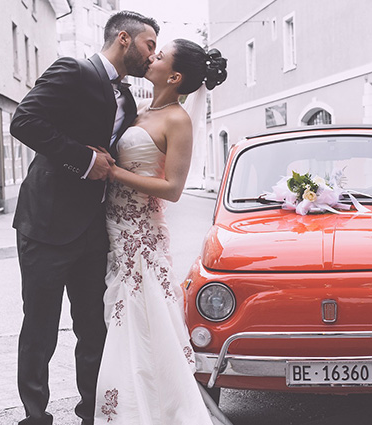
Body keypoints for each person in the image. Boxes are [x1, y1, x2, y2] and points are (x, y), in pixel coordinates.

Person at [9, 11, 159, 425]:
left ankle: (92, 413)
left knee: (94, 328)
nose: (153, 55)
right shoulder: (72, 69)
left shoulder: (128, 98)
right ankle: (35, 416)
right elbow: (23, 122)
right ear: (124, 39)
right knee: (39, 328)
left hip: (95, 230)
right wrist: (83, 158)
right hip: (46, 224)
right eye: (149, 45)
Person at [91, 39, 230, 424]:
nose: (150, 57)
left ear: (175, 76)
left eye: (160, 54)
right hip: (114, 227)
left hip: (141, 235)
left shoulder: (177, 120)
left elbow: (173, 189)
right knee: (122, 319)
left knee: (139, 320)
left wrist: (114, 171)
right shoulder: (139, 110)